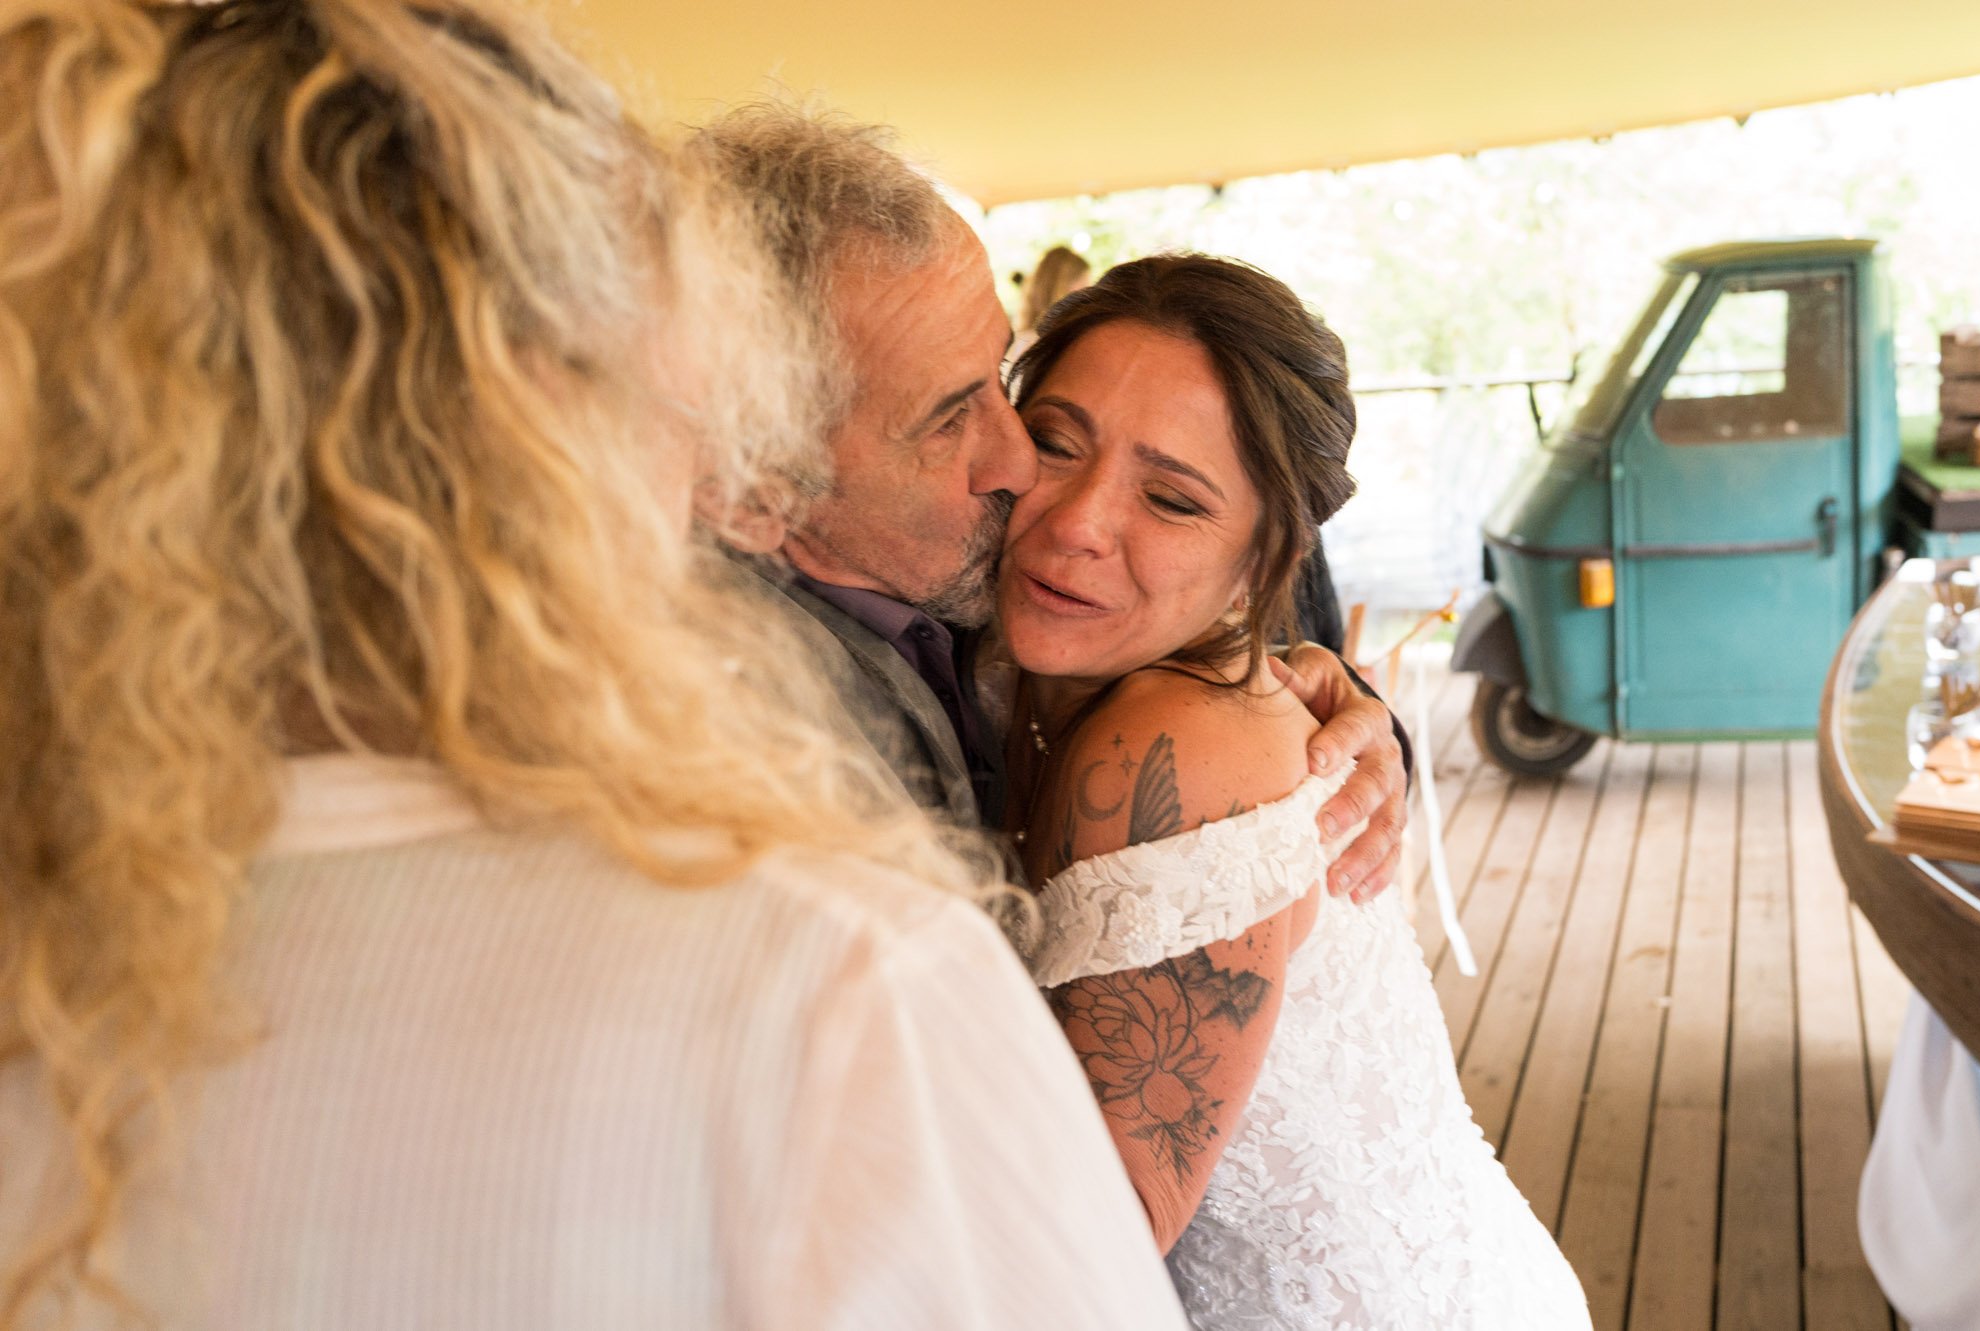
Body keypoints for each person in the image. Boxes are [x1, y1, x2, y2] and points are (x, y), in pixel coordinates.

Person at [0, 2, 1187, 1326]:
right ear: (551, 422)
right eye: (686, 416)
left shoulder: (49, 953)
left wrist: (1262, 689)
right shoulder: (828, 981)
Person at [999, 254, 1592, 1328]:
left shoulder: (1171, 742)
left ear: (1261, 556)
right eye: (1051, 440)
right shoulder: (1032, 670)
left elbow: (1096, 1242)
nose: (1077, 520)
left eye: (1170, 498)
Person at [688, 104, 1407, 897]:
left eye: (1001, 380)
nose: (1024, 467)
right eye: (951, 416)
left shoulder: (956, 581)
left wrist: (1337, 708)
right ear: (751, 481)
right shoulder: (733, 717)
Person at [1012, 244, 1093, 356]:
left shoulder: (1022, 340)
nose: (1087, 296)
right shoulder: (1051, 345)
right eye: (1084, 285)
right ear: (1064, 288)